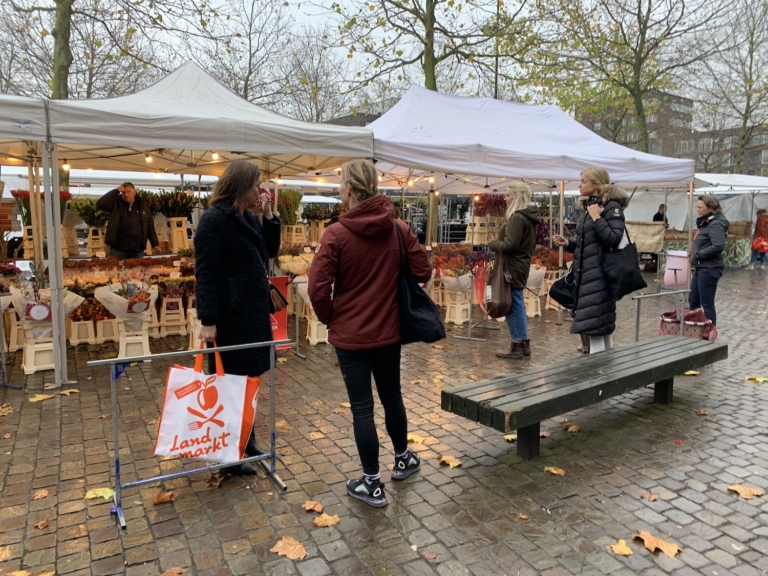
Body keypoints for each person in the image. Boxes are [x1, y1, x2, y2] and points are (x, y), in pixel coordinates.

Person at [309, 159, 432, 508]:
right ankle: (403, 458)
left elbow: (318, 289)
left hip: (351, 336)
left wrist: (332, 317)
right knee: (392, 396)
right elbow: (423, 268)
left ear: (349, 188)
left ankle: (372, 483)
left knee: (362, 408)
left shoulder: (335, 234)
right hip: (388, 331)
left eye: (340, 182)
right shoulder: (398, 229)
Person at [195, 161, 281, 476]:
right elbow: (205, 273)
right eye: (257, 184)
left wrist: (269, 216)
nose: (261, 189)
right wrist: (208, 318)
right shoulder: (214, 221)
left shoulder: (248, 217)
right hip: (230, 318)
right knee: (229, 385)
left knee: (248, 382)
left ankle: (247, 440)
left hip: (252, 314)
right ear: (240, 185)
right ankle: (228, 454)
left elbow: (269, 251)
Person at [554, 167, 627, 354]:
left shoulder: (610, 207)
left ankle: (599, 376)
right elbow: (589, 245)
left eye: (584, 181)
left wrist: (597, 218)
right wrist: (569, 244)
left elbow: (613, 239)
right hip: (587, 276)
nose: (579, 185)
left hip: (600, 277)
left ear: (596, 184)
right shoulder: (591, 207)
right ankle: (605, 374)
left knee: (596, 329)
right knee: (598, 329)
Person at [488, 181, 541, 359]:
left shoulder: (518, 217)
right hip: (519, 265)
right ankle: (522, 344)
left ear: (517, 197)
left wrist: (492, 244)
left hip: (513, 266)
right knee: (515, 303)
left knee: (513, 304)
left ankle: (518, 344)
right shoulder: (527, 216)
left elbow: (510, 245)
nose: (505, 198)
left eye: (508, 194)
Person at [690, 194, 728, 326]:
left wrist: (699, 254)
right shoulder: (707, 222)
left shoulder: (716, 223)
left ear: (710, 208)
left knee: (706, 303)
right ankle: (695, 329)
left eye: (700, 207)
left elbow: (718, 245)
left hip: (710, 267)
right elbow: (705, 242)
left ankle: (709, 332)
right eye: (697, 207)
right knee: (693, 300)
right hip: (701, 267)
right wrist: (693, 252)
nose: (697, 210)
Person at [97, 182, 160, 259]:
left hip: (137, 249)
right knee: (117, 270)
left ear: (135, 192)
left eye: (128, 192)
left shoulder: (142, 206)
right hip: (118, 248)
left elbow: (150, 227)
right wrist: (116, 191)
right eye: (123, 192)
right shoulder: (115, 204)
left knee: (137, 270)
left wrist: (155, 244)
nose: (126, 194)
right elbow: (100, 204)